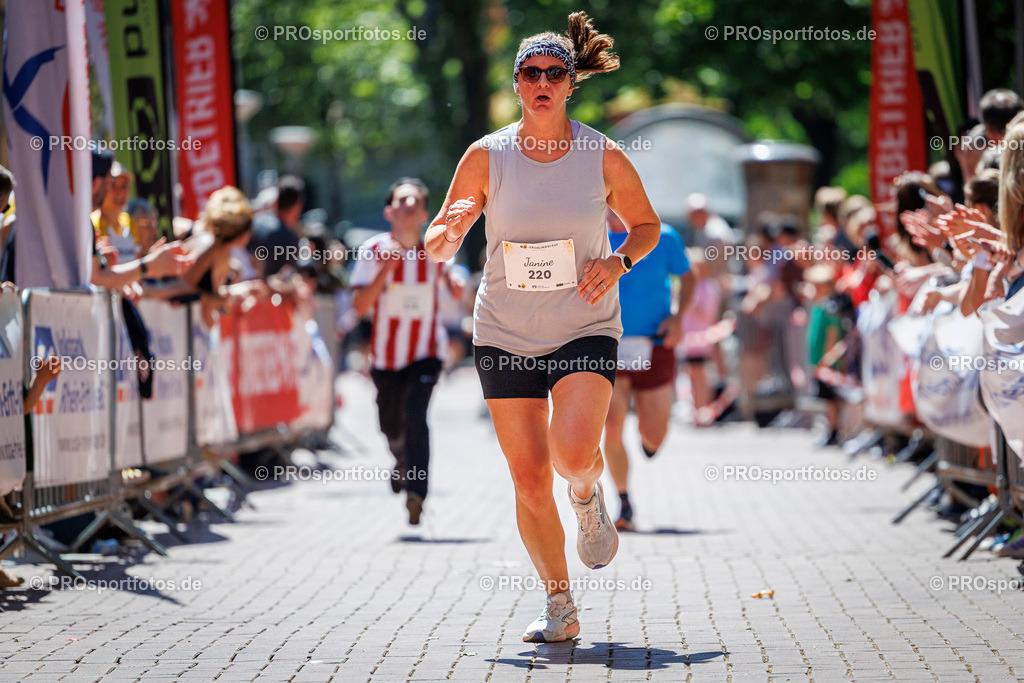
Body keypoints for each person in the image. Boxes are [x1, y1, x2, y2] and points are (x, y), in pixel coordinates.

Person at [424, 12, 660, 643]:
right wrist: (446, 232)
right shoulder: (486, 155)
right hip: (504, 329)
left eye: (556, 73)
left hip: (583, 321)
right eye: (532, 74)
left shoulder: (600, 154)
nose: (543, 83)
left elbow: (647, 226)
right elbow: (439, 240)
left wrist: (618, 261)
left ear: (571, 83)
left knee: (574, 453)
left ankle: (586, 494)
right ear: (517, 84)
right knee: (529, 479)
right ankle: (560, 605)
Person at [351, 178, 464, 525]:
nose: (408, 205)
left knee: (416, 416)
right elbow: (358, 306)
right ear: (389, 211)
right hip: (386, 357)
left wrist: (456, 284)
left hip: (426, 350)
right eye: (401, 200)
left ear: (425, 213)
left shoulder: (436, 249)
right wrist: (386, 268)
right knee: (390, 424)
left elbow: (455, 287)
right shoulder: (372, 250)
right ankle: (401, 461)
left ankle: (417, 492)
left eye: (415, 201)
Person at [603, 212, 692, 531]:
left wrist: (678, 317)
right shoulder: (590, 234)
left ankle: (648, 441)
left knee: (653, 434)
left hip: (654, 343)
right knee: (611, 426)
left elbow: (688, 275)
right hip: (607, 343)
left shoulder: (663, 236)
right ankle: (624, 501)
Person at [247, 175, 305, 277]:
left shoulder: (254, 224)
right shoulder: (289, 238)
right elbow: (287, 280)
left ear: (276, 201)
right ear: (298, 206)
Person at [91, 162, 138, 262]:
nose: (119, 193)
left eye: (124, 186)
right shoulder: (91, 223)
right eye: (113, 186)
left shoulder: (131, 222)